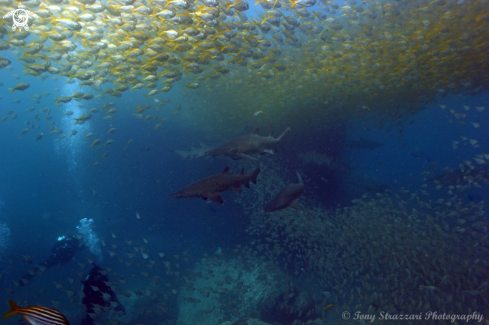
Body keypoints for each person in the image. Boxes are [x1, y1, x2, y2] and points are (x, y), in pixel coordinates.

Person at [19, 235, 85, 286]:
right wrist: (61, 248)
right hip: (55, 258)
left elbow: (82, 248)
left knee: (45, 266)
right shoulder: (65, 243)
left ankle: (31, 273)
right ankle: (29, 274)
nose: (70, 243)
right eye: (68, 242)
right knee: (44, 266)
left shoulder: (75, 245)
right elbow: (53, 250)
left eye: (71, 242)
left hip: (60, 261)